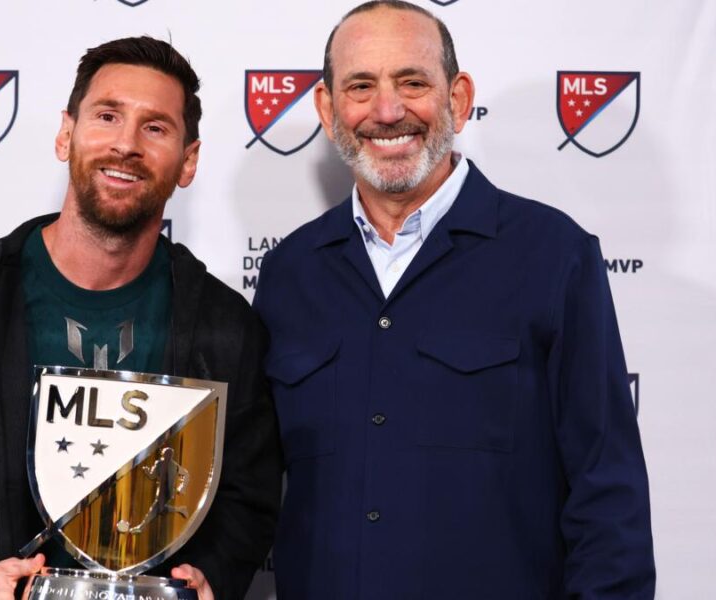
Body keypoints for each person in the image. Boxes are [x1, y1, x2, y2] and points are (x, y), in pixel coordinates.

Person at [0, 37, 281, 600]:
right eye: (107, 115)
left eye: (156, 127)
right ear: (65, 134)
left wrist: (214, 571)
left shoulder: (226, 329)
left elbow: (250, 493)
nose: (125, 144)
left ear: (188, 160)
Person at [252, 2, 655, 598]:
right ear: (327, 108)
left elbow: (608, 491)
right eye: (361, 86)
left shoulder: (554, 255)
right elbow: (250, 481)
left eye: (412, 82)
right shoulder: (289, 273)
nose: (387, 111)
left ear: (459, 98)